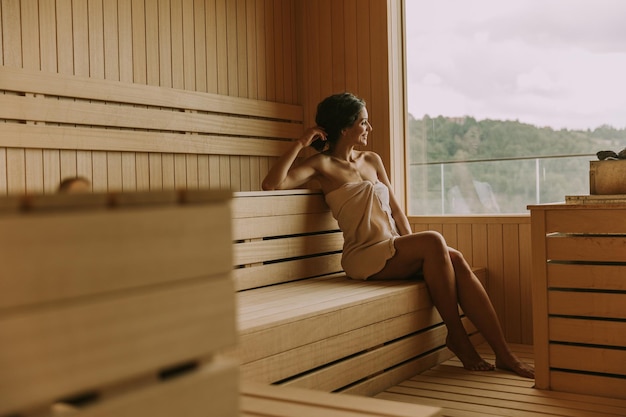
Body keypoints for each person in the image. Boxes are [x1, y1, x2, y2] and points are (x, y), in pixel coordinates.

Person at [262, 92, 534, 379]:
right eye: (364, 122)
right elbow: (272, 184)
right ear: (345, 127)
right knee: (435, 243)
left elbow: (396, 209)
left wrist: (424, 250)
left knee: (454, 258)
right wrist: (300, 143)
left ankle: (504, 354)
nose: (369, 128)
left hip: (392, 248)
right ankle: (458, 338)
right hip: (363, 256)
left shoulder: (372, 159)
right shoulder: (321, 166)